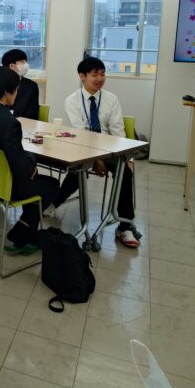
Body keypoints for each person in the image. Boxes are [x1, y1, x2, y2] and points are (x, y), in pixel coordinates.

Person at [0, 66, 60, 252]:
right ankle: (24, 231)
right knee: (51, 185)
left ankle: (24, 230)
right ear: (7, 92)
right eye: (16, 89)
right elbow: (20, 168)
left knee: (34, 179)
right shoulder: (9, 122)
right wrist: (32, 162)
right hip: (5, 188)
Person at [55, 56, 141, 249]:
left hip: (110, 149)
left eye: (102, 74)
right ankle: (53, 204)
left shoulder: (111, 99)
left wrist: (126, 157)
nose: (100, 78)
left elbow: (118, 132)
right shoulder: (72, 100)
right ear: (82, 76)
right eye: (95, 75)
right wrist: (96, 160)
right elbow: (82, 133)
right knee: (76, 171)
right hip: (83, 147)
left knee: (125, 173)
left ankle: (124, 226)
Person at [2, 48, 40, 121]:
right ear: (11, 66)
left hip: (24, 124)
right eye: (22, 62)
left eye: (26, 62)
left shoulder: (32, 86)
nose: (26, 65)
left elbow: (33, 113)